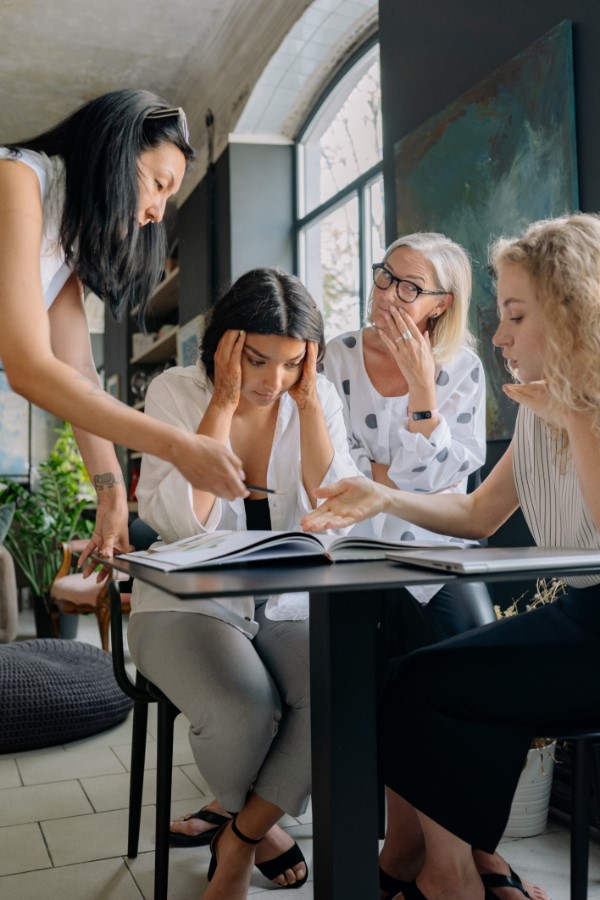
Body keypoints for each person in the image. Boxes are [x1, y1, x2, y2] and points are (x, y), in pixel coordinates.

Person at [301, 212, 600, 899]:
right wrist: (380, 500)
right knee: (413, 680)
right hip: (582, 614)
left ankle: (437, 868)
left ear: (573, 313)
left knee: (429, 681)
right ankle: (433, 863)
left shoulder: (570, 403)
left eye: (518, 316)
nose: (499, 336)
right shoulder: (537, 406)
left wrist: (576, 410)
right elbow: (473, 512)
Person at [128, 268, 360, 898]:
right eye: (257, 360)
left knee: (342, 692)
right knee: (244, 709)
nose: (273, 381)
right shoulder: (176, 391)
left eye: (291, 364)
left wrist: (311, 405)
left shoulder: (314, 399)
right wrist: (223, 403)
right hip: (186, 602)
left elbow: (335, 511)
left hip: (285, 601)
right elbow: (179, 518)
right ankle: (262, 826)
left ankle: (239, 834)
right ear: (225, 341)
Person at [324, 233, 510, 900]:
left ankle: (435, 855)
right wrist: (395, 476)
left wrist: (423, 391)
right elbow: (339, 477)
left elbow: (442, 490)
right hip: (361, 554)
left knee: (479, 665)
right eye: (384, 276)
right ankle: (449, 864)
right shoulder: (338, 357)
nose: (387, 294)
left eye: (409, 286)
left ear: (440, 304)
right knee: (393, 671)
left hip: (440, 551)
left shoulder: (459, 367)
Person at [0, 89, 246, 574]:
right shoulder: (15, 179)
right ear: (115, 150)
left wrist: (111, 494)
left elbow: (78, 374)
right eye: (158, 183)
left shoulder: (62, 241)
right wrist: (176, 445)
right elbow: (29, 367)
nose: (157, 212)